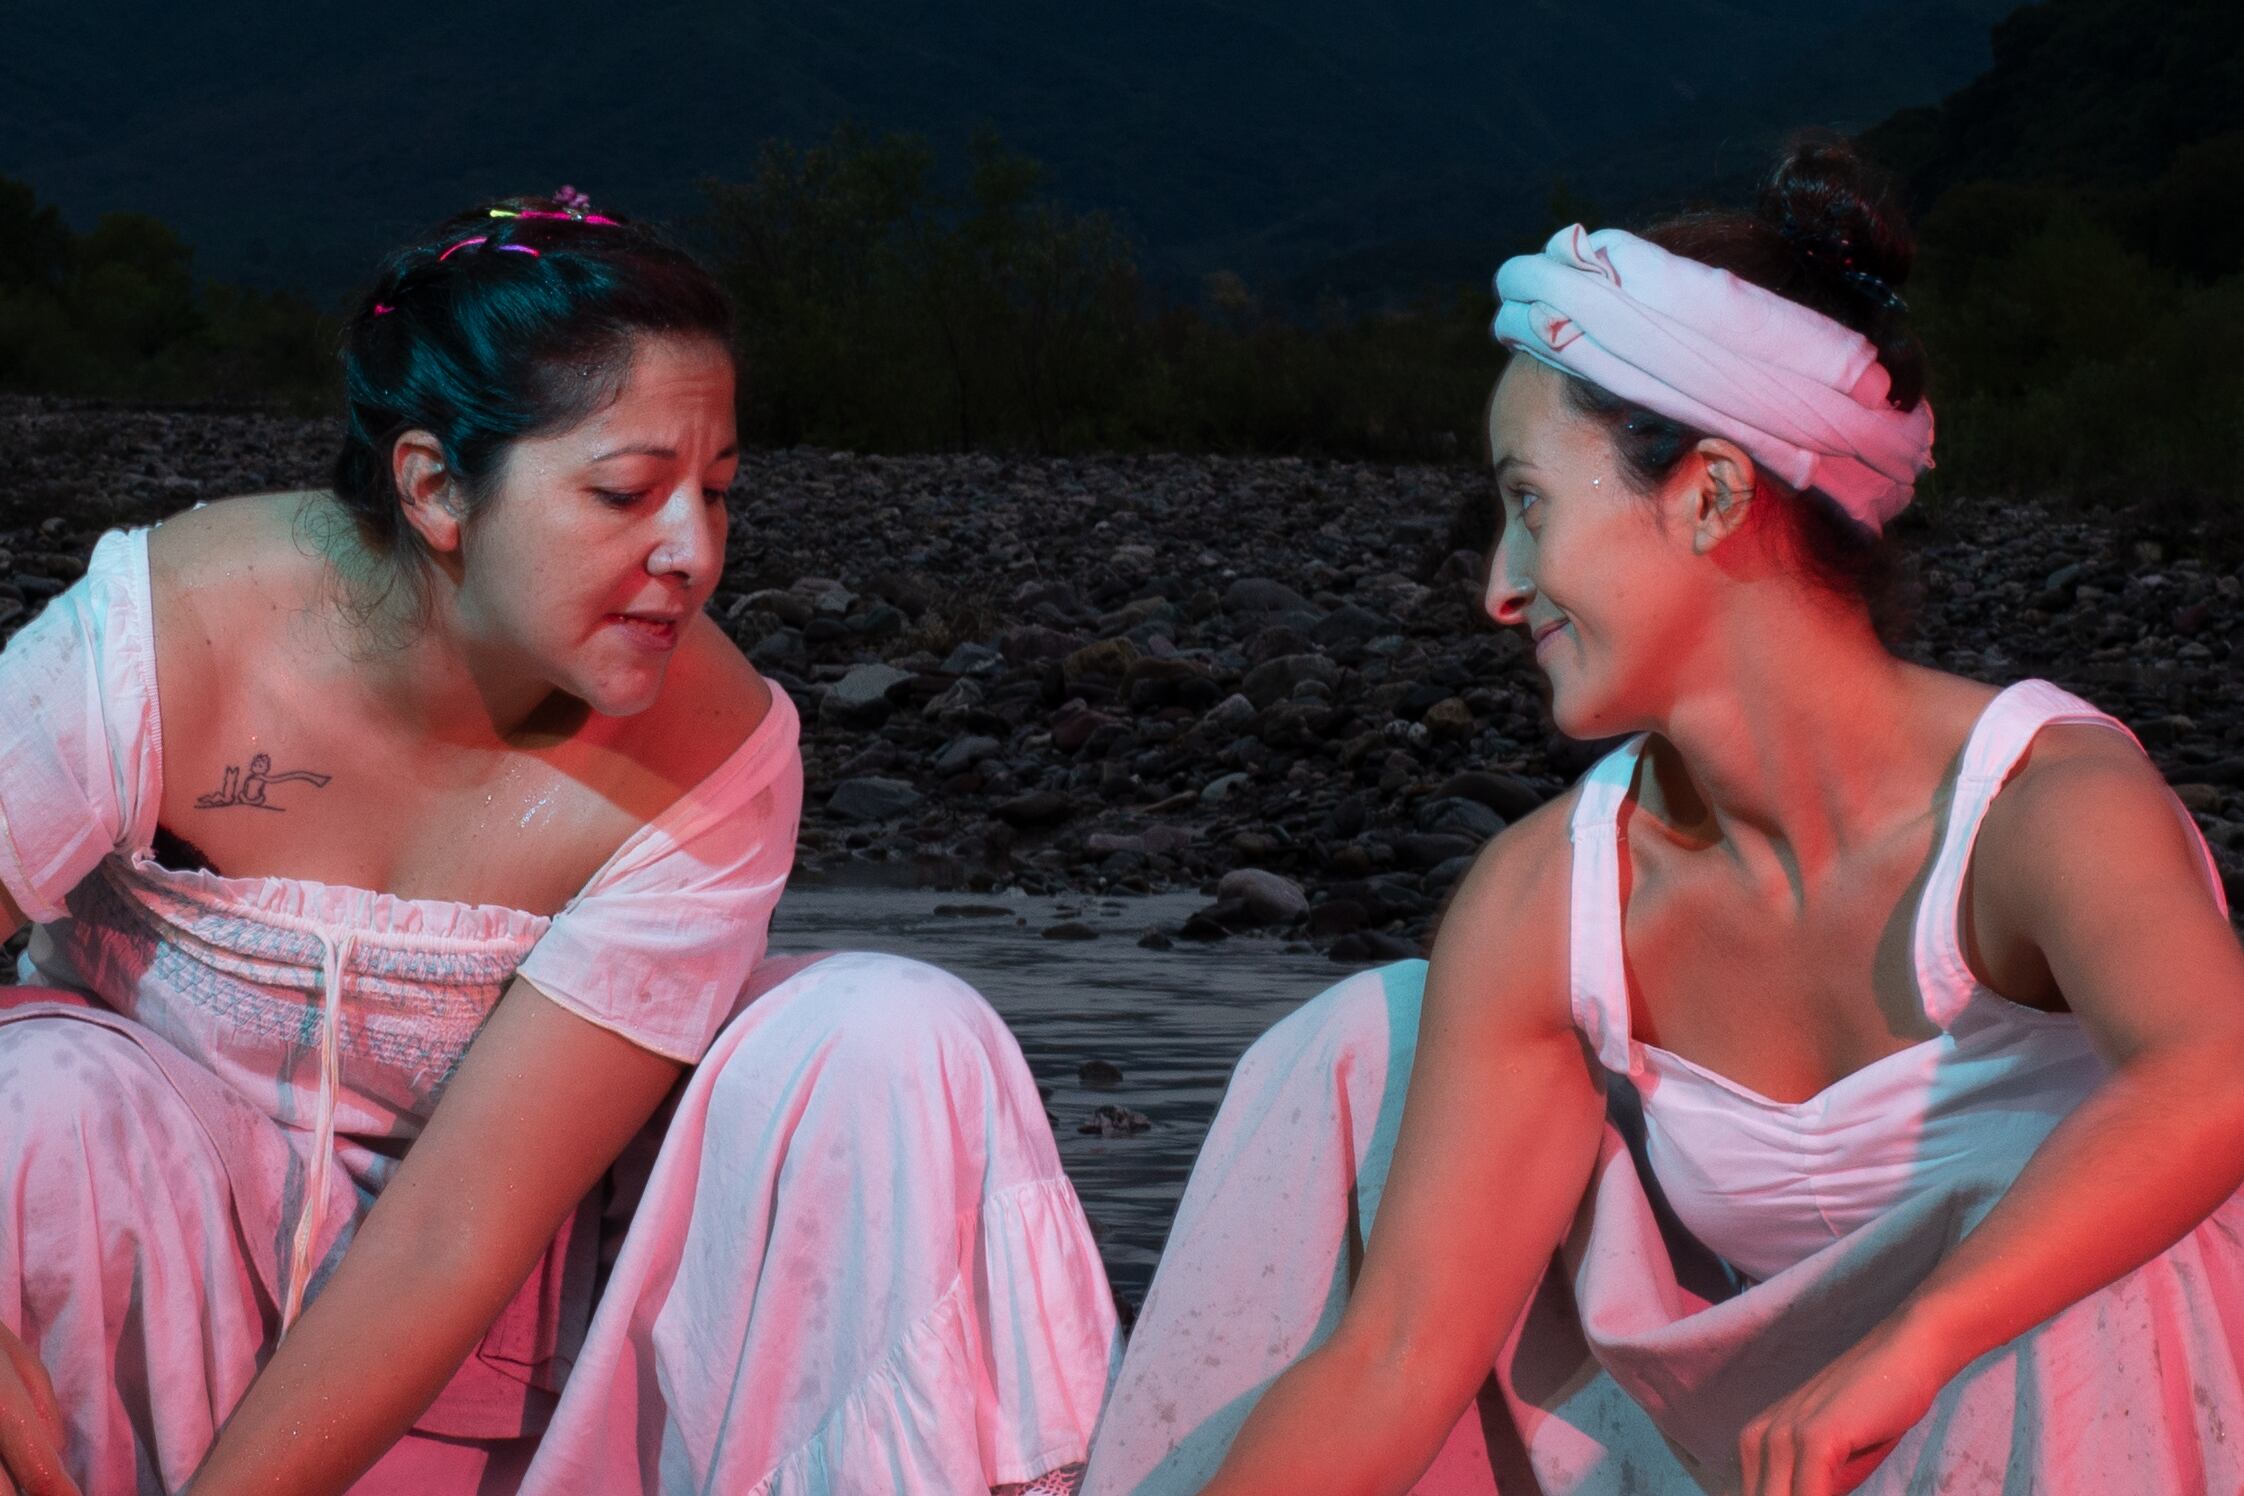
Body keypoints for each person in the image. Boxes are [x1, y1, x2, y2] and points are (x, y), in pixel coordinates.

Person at [1080, 139, 2244, 1495]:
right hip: (1783, 1454)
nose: (1502, 591)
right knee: (1352, 1036)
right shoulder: (1548, 900)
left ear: (1709, 494)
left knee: (2065, 1279)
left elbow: (2216, 1073)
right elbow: (1396, 1355)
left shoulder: (2042, 806)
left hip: (2128, 1423)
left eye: (1528, 505)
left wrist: (1915, 1347)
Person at [0, 194, 1119, 1495]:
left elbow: (454, 1232)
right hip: (110, 1338)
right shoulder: (169, 629)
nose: (692, 554)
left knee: (893, 1030)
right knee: (46, 1092)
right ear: (433, 487)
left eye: (717, 493)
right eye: (626, 493)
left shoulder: (714, 748)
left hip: (492, 1385)